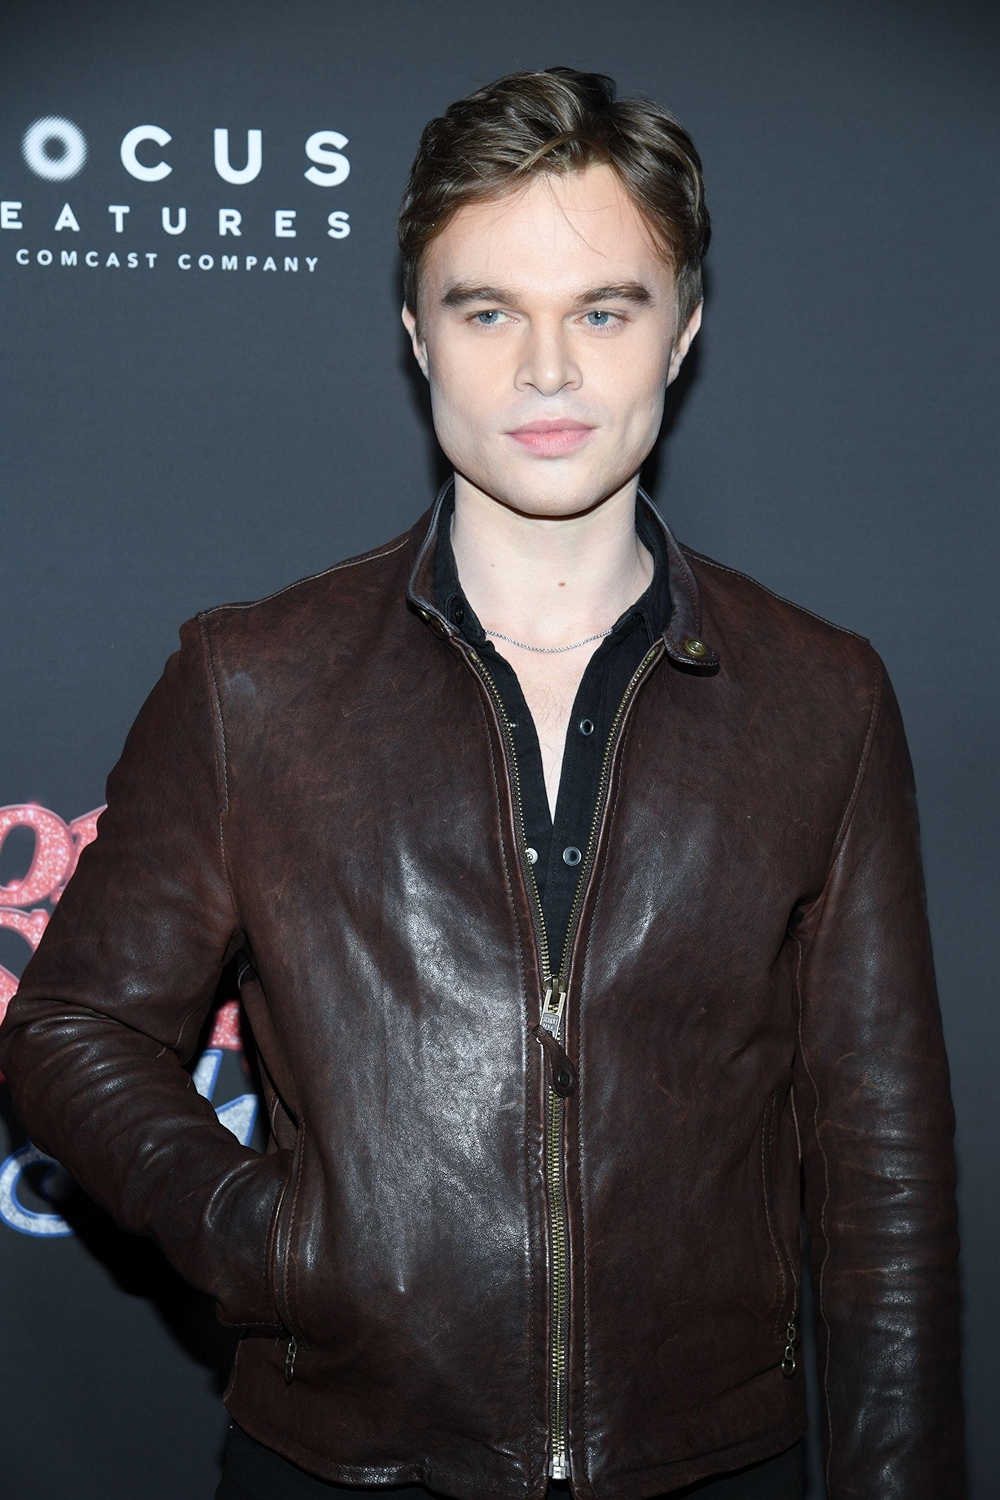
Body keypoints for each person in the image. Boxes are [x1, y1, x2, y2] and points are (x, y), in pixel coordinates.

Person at [0, 67, 962, 1500]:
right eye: (489, 310)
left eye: (604, 311)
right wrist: (270, 1243)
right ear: (416, 333)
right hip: (341, 1464)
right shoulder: (251, 685)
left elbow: (882, 1164)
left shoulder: (824, 696)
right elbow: (70, 1026)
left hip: (712, 1465)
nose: (548, 371)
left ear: (685, 328)